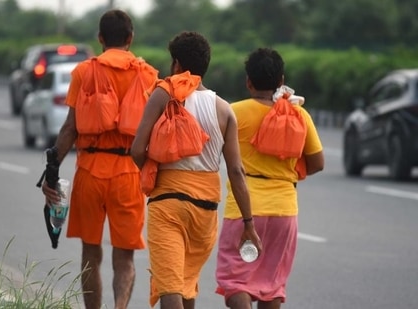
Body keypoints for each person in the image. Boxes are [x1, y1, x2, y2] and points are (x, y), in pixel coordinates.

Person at [130, 31, 262, 309]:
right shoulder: (224, 109)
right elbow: (236, 171)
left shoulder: (163, 94)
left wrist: (155, 173)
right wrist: (248, 224)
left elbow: (137, 150)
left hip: (168, 206)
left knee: (170, 289)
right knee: (186, 285)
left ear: (176, 64)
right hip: (205, 212)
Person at [41, 10, 158, 309]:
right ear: (130, 39)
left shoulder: (84, 72)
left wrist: (51, 170)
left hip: (90, 172)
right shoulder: (148, 75)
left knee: (90, 253)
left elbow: (70, 127)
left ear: (101, 39)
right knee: (125, 257)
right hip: (129, 174)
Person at [215, 48, 325, 309]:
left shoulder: (235, 111)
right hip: (284, 211)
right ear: (281, 80)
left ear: (248, 82)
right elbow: (318, 163)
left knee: (235, 282)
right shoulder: (298, 114)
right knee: (271, 285)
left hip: (244, 211)